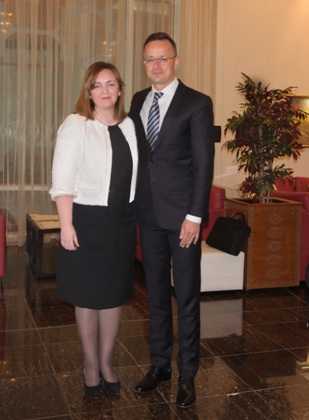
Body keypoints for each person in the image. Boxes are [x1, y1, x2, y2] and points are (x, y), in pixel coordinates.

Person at [128, 32, 214, 408]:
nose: (157, 65)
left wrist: (194, 215)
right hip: (147, 213)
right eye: (150, 59)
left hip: (183, 219)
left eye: (163, 58)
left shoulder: (197, 102)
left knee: (187, 296)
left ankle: (188, 374)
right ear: (144, 64)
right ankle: (160, 364)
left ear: (176, 61)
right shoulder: (138, 101)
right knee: (156, 294)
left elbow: (203, 165)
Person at [49, 62, 138, 399]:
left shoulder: (129, 125)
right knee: (87, 296)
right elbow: (62, 180)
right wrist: (66, 224)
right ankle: (89, 364)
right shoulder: (76, 124)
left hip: (121, 221)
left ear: (120, 89)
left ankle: (106, 362)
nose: (104, 90)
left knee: (113, 296)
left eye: (111, 84)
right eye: (97, 85)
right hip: (86, 220)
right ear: (88, 92)